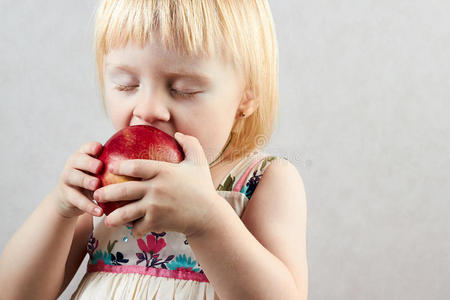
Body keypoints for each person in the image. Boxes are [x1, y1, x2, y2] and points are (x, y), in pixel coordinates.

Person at [0, 0, 308, 299]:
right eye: (126, 84)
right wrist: (60, 210)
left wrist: (206, 220)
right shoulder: (106, 186)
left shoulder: (263, 181)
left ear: (246, 97)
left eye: (183, 89)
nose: (147, 110)